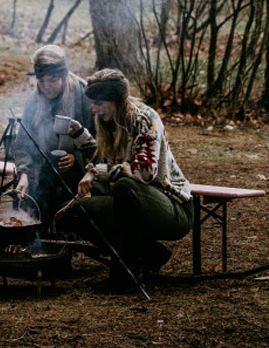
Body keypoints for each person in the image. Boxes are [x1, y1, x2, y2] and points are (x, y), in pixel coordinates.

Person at [59, 68, 193, 293]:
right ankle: (150, 253)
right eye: (93, 103)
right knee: (74, 213)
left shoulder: (144, 118)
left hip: (171, 205)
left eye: (99, 103)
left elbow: (144, 172)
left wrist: (95, 172)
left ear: (116, 100)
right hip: (131, 204)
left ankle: (126, 275)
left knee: (125, 186)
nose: (94, 109)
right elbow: (105, 159)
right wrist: (80, 135)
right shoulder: (109, 122)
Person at [13, 44, 96, 224]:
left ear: (63, 76)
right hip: (42, 166)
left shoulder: (83, 95)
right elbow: (23, 144)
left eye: (52, 80)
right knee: (30, 195)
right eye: (41, 81)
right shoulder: (33, 101)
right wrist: (24, 173)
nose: (46, 86)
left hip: (78, 169)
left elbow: (98, 141)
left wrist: (76, 157)